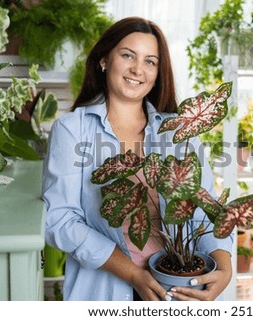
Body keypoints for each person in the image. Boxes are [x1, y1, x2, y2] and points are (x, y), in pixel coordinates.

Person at [42, 16, 233, 301]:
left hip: (180, 288)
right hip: (106, 291)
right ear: (104, 59)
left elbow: (206, 207)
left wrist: (225, 266)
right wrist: (132, 273)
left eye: (150, 61)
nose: (137, 69)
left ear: (158, 72)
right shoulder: (72, 129)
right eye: (127, 55)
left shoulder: (178, 132)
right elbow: (59, 219)